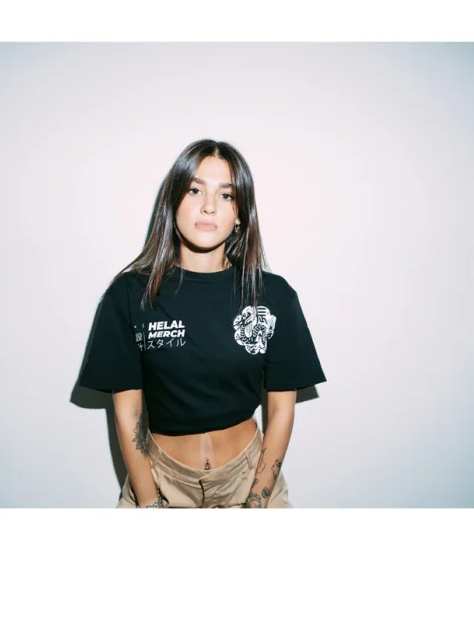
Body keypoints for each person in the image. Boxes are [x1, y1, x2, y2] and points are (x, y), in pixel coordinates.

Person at [76, 139, 327, 508]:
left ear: (240, 213)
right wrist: (149, 502)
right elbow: (128, 413)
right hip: (158, 481)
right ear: (173, 201)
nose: (209, 206)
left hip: (251, 478)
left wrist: (257, 502)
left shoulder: (273, 296)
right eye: (195, 190)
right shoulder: (129, 295)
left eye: (226, 195)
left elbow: (281, 409)